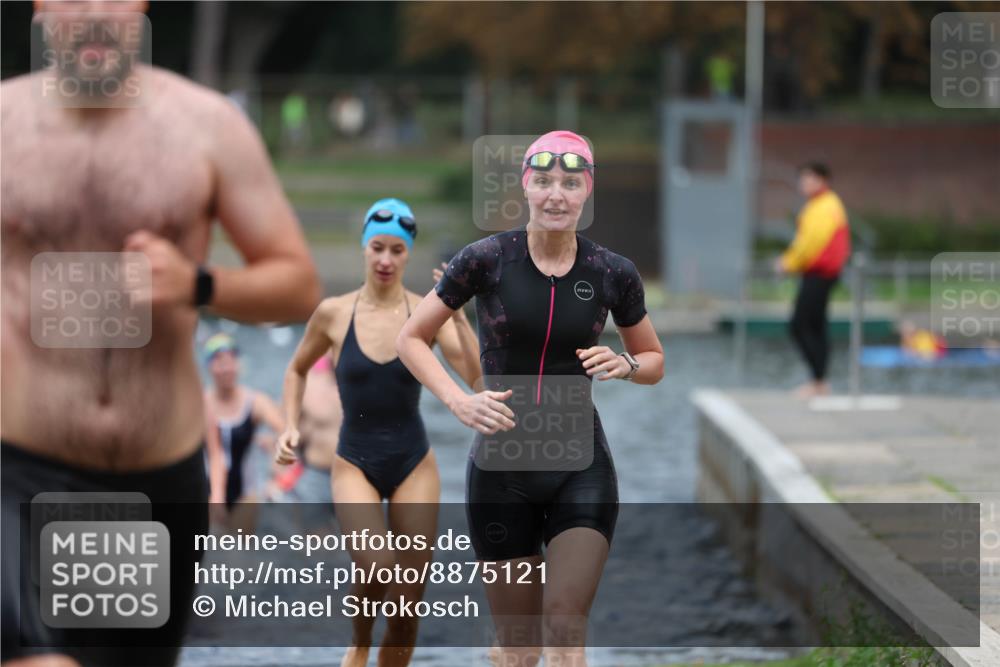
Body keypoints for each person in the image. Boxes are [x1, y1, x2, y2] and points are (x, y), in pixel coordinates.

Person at [0, 2, 322, 665]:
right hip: (19, 470)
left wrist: (199, 284)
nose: (92, 13)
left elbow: (297, 285)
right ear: (38, 7)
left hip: (154, 484)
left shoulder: (206, 128)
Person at [397, 130, 665, 667]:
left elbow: (654, 361)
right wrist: (457, 401)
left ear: (587, 190)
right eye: (543, 182)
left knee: (566, 630)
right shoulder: (485, 260)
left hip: (580, 465)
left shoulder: (613, 272)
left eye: (570, 182)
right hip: (502, 471)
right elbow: (411, 338)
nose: (556, 195)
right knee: (520, 651)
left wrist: (627, 364)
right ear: (526, 186)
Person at [274, 198, 481, 667]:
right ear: (364, 249)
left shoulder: (426, 313)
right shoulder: (333, 313)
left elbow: (474, 377)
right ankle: (360, 639)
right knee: (380, 568)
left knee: (408, 608)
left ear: (408, 255)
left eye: (397, 251)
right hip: (354, 463)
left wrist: (462, 318)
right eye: (377, 248)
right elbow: (296, 370)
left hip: (414, 462)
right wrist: (289, 424)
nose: (386, 260)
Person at [774, 162, 851, 398]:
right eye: (803, 179)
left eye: (810, 179)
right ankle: (819, 381)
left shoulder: (823, 206)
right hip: (820, 273)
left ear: (823, 180)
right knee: (816, 326)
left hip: (820, 273)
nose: (804, 184)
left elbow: (811, 243)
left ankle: (818, 381)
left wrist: (788, 263)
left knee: (800, 324)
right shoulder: (823, 205)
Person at [202, 333, 285, 531]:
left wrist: (276, 466)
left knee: (240, 554)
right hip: (206, 490)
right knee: (210, 552)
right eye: (220, 363)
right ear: (209, 367)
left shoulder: (255, 402)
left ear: (238, 365)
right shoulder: (200, 404)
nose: (226, 369)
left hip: (245, 493)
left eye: (231, 361)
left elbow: (285, 433)